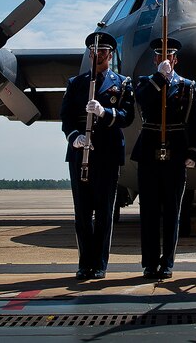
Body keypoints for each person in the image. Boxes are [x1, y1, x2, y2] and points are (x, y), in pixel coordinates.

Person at [59, 31, 134, 281]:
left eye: (101, 51)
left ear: (109, 55)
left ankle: (100, 263)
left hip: (107, 153)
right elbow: (66, 118)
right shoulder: (76, 83)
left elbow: (127, 116)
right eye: (93, 50)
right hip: (80, 153)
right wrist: (74, 137)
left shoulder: (122, 83)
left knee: (104, 212)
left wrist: (105, 112)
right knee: (82, 212)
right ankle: (84, 263)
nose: (97, 54)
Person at [132, 37, 196, 280]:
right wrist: (159, 79)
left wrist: (193, 151)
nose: (165, 59)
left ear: (176, 59)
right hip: (149, 149)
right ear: (155, 60)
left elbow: (195, 121)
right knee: (149, 210)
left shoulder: (187, 86)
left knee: (173, 210)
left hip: (176, 150)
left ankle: (168, 262)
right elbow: (141, 100)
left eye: (169, 56)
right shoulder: (146, 82)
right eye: (160, 56)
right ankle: (150, 263)